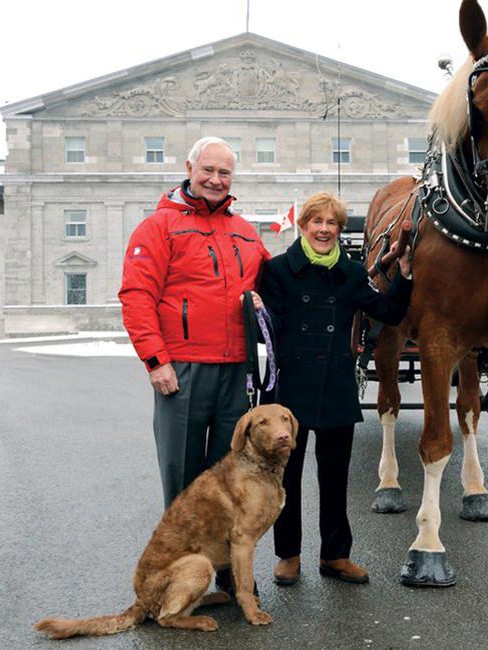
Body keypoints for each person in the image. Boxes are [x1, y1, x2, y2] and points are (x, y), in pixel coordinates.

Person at [259, 192, 412, 586]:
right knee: (286, 478)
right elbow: (266, 334)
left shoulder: (351, 274)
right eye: (317, 222)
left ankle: (335, 555)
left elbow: (390, 312)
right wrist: (253, 311)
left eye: (332, 223)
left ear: (340, 230)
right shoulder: (276, 271)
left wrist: (404, 275)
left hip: (335, 386)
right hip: (289, 390)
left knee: (335, 477)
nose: (324, 229)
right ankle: (288, 555)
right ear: (304, 226)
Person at [119, 136, 269, 512]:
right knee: (183, 479)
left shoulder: (246, 231)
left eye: (225, 172)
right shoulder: (158, 227)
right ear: (189, 170)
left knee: (228, 476)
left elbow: (276, 282)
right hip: (182, 371)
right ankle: (184, 567)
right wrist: (156, 361)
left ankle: (225, 569)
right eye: (208, 170)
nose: (216, 179)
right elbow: (137, 296)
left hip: (236, 371)